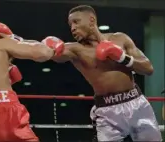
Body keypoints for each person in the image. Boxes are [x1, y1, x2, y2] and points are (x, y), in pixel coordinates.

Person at [43, 5, 162, 141]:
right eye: (70, 25)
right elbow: (48, 53)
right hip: (107, 112)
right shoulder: (76, 50)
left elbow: (148, 68)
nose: (72, 28)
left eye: (76, 22)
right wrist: (47, 44)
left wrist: (123, 58)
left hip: (137, 103)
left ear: (91, 20)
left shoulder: (120, 39)